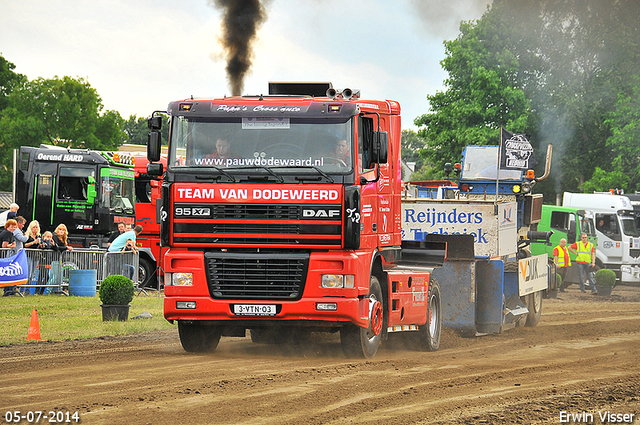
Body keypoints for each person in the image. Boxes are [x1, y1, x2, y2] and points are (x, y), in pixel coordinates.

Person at [0, 219, 18, 296]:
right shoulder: (7, 233)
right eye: (12, 227)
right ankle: (7, 291)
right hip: (2, 256)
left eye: (15, 227)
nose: (13, 228)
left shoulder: (9, 233)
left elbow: (14, 245)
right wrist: (10, 246)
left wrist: (10, 246)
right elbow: (4, 246)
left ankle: (7, 291)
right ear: (7, 226)